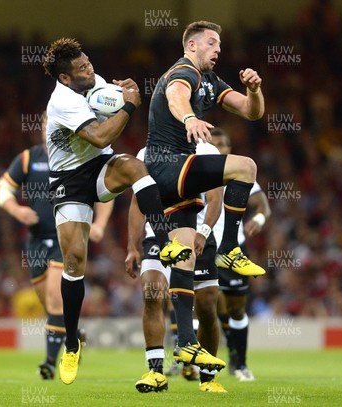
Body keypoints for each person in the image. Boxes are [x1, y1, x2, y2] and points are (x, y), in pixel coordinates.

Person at [42, 37, 193, 385]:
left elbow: (108, 99)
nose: (90, 70)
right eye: (81, 68)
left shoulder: (90, 80)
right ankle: (70, 343)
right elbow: (98, 135)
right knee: (75, 260)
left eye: (89, 62)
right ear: (65, 78)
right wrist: (129, 106)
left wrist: (124, 90)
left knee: (136, 166)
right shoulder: (62, 100)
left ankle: (167, 239)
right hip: (68, 179)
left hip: (98, 165)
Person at [143, 20, 266, 379]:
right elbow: (175, 96)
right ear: (192, 45)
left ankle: (185, 340)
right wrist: (190, 117)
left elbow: (250, 111)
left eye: (220, 45)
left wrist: (254, 90)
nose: (218, 49)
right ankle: (230, 247)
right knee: (245, 167)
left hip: (174, 178)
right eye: (211, 43)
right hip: (168, 163)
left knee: (182, 257)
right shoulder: (184, 71)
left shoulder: (213, 81)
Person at [0, 112, 113, 379]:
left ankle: (49, 362)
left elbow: (107, 192)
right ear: (43, 129)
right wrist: (16, 210)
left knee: (55, 299)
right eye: (48, 124)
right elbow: (1, 188)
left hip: (68, 236)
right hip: (36, 240)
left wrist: (100, 225)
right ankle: (75, 335)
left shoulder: (80, 153)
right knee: (50, 306)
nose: (52, 128)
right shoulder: (29, 158)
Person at [126, 141, 226, 393]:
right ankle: (155, 372)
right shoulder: (145, 153)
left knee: (206, 306)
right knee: (152, 293)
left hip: (197, 235)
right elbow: (139, 203)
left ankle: (207, 379)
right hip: (157, 234)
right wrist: (132, 246)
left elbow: (215, 199)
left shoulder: (206, 151)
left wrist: (203, 231)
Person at [210, 128, 270, 381]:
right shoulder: (196, 173)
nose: (219, 148)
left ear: (229, 149)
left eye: (223, 144)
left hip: (234, 250)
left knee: (236, 308)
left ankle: (240, 362)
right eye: (214, 144)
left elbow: (263, 206)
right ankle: (195, 362)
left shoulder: (239, 173)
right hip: (205, 247)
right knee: (206, 303)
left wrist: (257, 219)